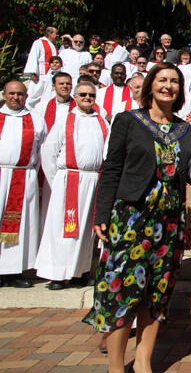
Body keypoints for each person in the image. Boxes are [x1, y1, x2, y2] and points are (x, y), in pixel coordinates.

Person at [84, 63, 191, 373]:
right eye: (162, 80)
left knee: (157, 292)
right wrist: (102, 213)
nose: (168, 86)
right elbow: (112, 168)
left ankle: (143, 361)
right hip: (131, 218)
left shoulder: (184, 130)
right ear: (150, 86)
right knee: (122, 290)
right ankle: (117, 367)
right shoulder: (128, 121)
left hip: (168, 222)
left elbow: (189, 173)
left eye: (174, 81)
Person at [36, 81, 109, 289]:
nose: (87, 98)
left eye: (91, 95)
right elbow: (48, 152)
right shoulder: (65, 120)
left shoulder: (102, 121)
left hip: (94, 180)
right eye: (83, 94)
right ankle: (58, 274)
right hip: (69, 180)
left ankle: (80, 271)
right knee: (64, 229)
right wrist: (59, 181)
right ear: (75, 97)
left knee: (86, 230)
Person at [0, 81, 47, 288]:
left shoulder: (35, 119)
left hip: (23, 175)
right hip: (1, 175)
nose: (15, 97)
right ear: (4, 94)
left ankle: (14, 271)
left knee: (21, 226)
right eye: (11, 93)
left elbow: (42, 151)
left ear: (26, 96)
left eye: (20, 94)